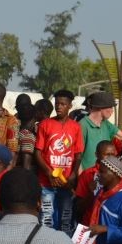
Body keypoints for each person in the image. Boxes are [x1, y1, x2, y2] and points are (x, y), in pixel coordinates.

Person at [34, 89, 84, 233]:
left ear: (70, 106)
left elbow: (78, 154)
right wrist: (49, 173)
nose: (59, 107)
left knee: (65, 219)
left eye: (63, 104)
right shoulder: (45, 124)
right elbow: (37, 153)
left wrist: (74, 174)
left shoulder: (75, 127)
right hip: (46, 182)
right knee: (46, 219)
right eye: (57, 104)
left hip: (66, 182)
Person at [79, 91, 122, 170]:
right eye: (110, 107)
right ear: (101, 108)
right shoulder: (83, 125)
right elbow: (77, 155)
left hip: (104, 176)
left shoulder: (106, 124)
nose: (112, 111)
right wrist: (80, 178)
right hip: (88, 176)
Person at [13, 103, 37, 170]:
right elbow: (26, 167)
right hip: (20, 175)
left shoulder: (15, 131)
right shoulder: (27, 136)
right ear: (34, 117)